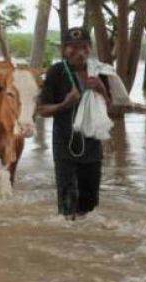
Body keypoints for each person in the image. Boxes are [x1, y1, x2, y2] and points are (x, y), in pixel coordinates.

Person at [37, 27, 111, 220]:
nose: (79, 51)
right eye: (72, 47)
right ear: (64, 50)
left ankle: (83, 245)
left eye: (84, 47)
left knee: (89, 207)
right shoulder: (56, 72)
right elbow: (42, 110)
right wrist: (65, 104)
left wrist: (102, 89)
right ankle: (67, 241)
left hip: (93, 148)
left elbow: (114, 113)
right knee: (67, 208)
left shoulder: (99, 72)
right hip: (65, 149)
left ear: (90, 48)